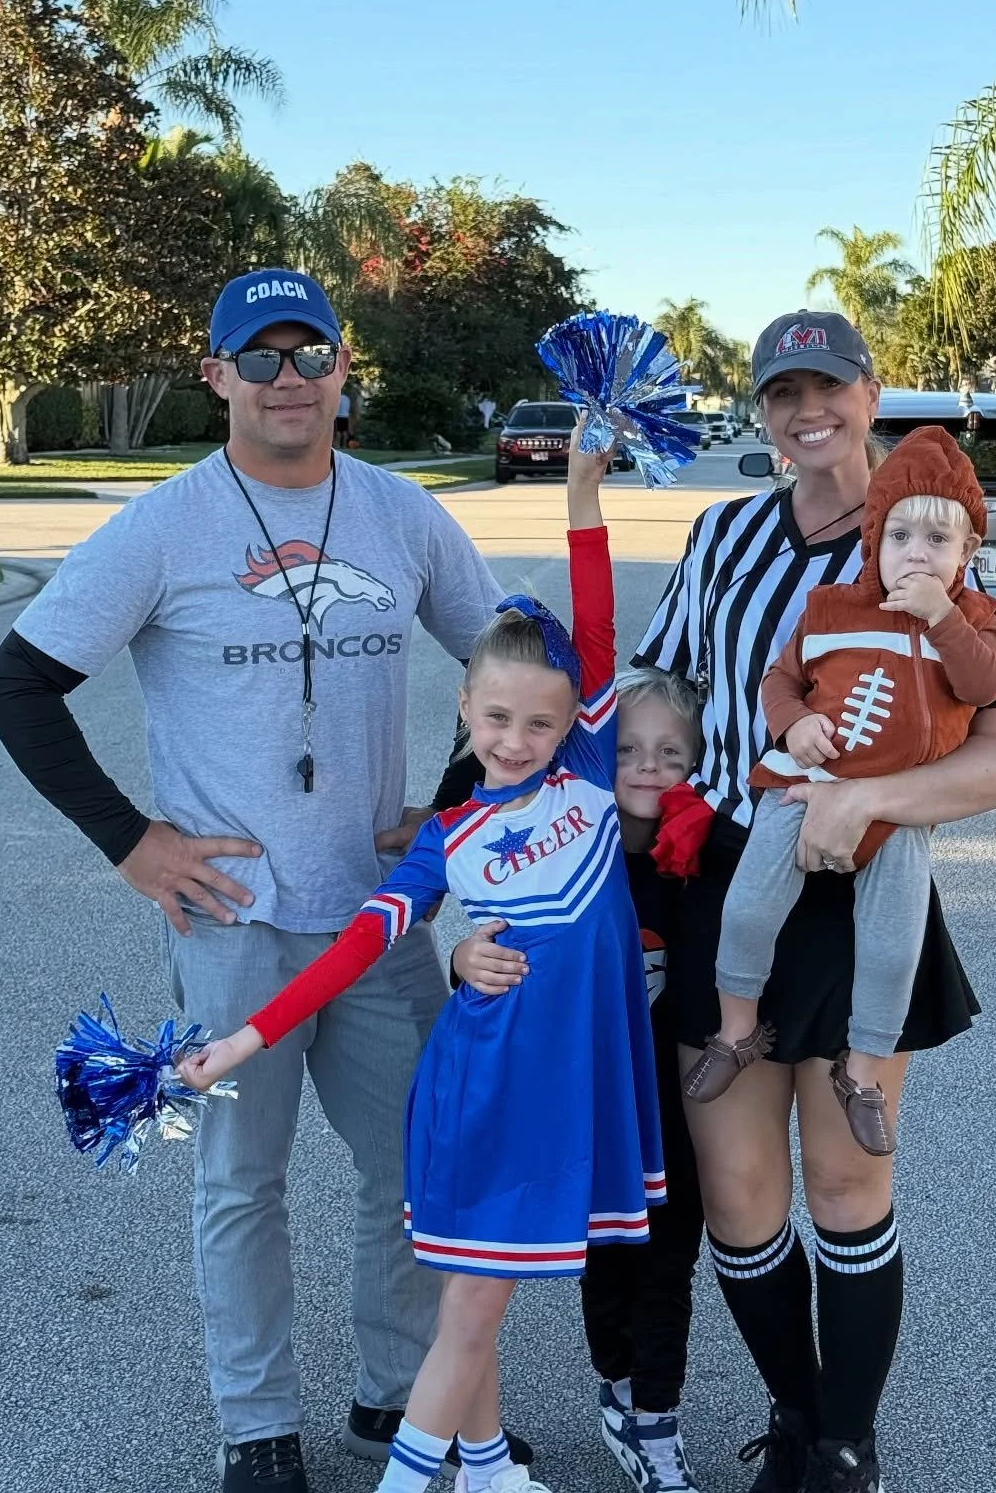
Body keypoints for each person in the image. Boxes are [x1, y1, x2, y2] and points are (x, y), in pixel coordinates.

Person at [0, 268, 522, 1493]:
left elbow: (519, 657)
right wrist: (132, 841)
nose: (289, 379)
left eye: (309, 353)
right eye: (259, 357)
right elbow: (14, 687)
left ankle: (402, 1401)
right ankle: (256, 1427)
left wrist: (453, 804)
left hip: (383, 924)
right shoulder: (164, 527)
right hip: (237, 924)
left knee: (414, 1171)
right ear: (217, 375)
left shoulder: (403, 516)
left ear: (343, 369)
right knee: (241, 1182)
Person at [179, 436, 664, 1493]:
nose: (517, 739)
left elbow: (594, 622)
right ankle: (418, 1477)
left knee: (470, 1295)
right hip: (480, 1089)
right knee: (476, 1302)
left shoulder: (585, 770)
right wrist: (244, 1039)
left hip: (565, 1078)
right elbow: (355, 947)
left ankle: (485, 1468)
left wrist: (582, 493)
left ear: (572, 720)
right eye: (496, 718)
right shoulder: (443, 841)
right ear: (461, 711)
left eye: (541, 720)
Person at [635, 310, 996, 1493]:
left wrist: (870, 804)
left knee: (850, 1180)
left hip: (864, 893)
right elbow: (659, 693)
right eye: (781, 394)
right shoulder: (720, 541)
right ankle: (798, 1418)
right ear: (761, 412)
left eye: (828, 388)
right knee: (742, 1196)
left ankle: (849, 1446)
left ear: (869, 395)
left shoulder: (926, 550)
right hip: (731, 883)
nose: (806, 412)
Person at [682, 427, 996, 1155]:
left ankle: (861, 1073)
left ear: (967, 555)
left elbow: (984, 688)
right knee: (746, 913)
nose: (916, 553)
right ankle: (737, 1032)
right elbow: (779, 680)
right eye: (899, 535)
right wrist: (794, 725)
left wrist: (944, 618)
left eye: (937, 538)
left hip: (896, 815)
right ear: (874, 541)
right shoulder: (832, 609)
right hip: (800, 788)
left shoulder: (977, 622)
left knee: (894, 950)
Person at [452, 666, 709, 1493]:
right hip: (584, 1092)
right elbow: (494, 939)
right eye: (628, 747)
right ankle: (619, 1383)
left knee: (672, 1252)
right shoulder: (565, 848)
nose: (645, 765)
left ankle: (657, 1421)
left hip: (674, 1092)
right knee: (608, 1251)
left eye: (671, 752)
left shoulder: (703, 860)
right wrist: (464, 958)